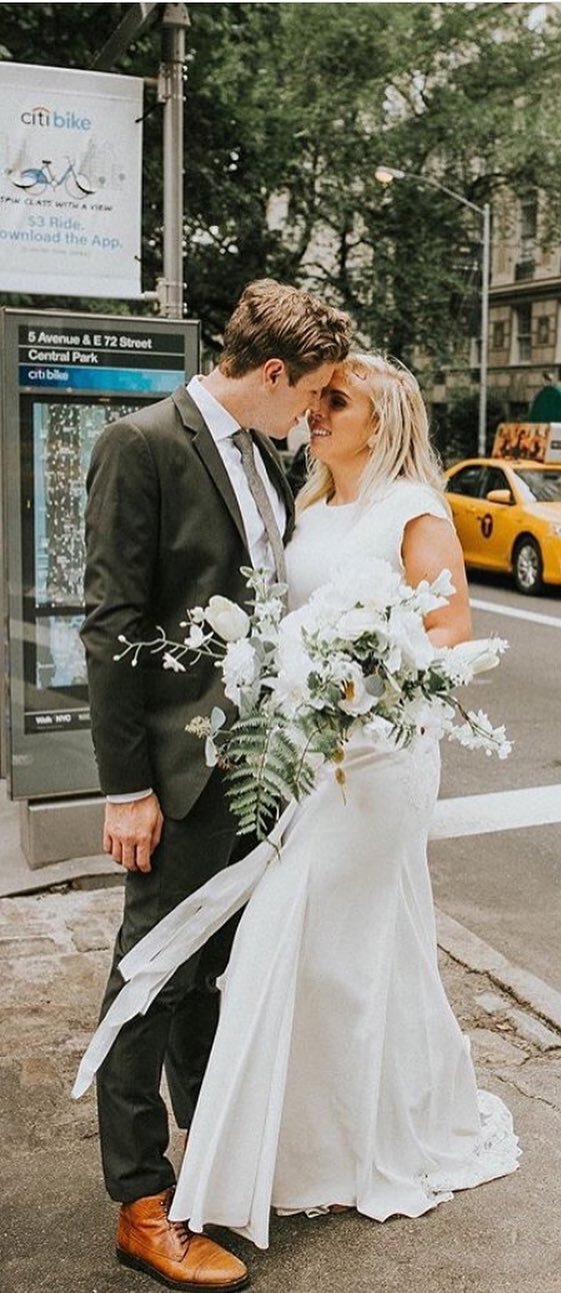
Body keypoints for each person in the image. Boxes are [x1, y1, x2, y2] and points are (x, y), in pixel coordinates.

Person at [164, 351, 520, 1248]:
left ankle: (346, 1143)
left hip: (376, 761)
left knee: (326, 941)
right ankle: (308, 1143)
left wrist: (366, 672)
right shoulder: (309, 504)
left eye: (336, 401)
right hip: (303, 756)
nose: (315, 413)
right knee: (336, 946)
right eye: (316, 398)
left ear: (383, 417)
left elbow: (450, 631)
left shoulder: (414, 510)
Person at [81, 279, 354, 1291]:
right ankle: (141, 1205)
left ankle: (206, 1167)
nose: (312, 417)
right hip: (177, 770)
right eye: (311, 393)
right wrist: (125, 790)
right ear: (271, 372)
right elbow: (112, 624)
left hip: (254, 769)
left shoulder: (260, 458)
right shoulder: (143, 444)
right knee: (149, 980)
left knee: (208, 982)